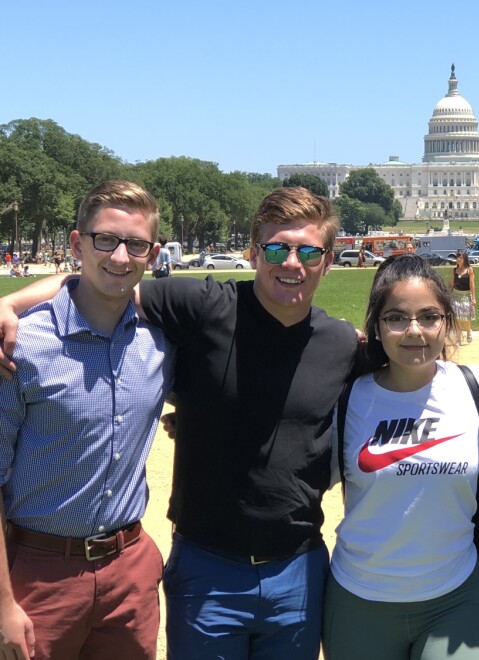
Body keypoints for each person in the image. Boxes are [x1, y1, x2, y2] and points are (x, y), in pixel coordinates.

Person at [0, 186, 359, 659]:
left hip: (298, 569)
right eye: (276, 248)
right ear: (254, 254)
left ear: (328, 261)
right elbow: (103, 278)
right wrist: (10, 303)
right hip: (206, 566)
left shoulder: (344, 345)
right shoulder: (203, 307)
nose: (292, 262)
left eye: (309, 251)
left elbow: (407, 365)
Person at [0, 181, 173, 659]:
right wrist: (2, 604)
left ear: (152, 254)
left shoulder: (161, 344)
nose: (120, 256)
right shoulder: (19, 347)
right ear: (78, 244)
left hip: (130, 570)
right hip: (38, 572)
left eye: (135, 244)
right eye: (106, 240)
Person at [324, 254, 479, 659]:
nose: (414, 331)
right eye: (396, 318)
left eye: (428, 316)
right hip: (361, 596)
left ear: (446, 320)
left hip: (454, 596)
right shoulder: (348, 398)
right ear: (375, 325)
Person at [450, 251, 476, 343]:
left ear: (464, 259)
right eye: (457, 258)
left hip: (465, 295)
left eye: (460, 258)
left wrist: (473, 298)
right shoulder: (454, 270)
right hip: (455, 295)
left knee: (466, 317)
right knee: (456, 317)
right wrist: (448, 295)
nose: (458, 259)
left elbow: (472, 284)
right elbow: (451, 283)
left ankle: (468, 332)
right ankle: (458, 336)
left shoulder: (469, 270)